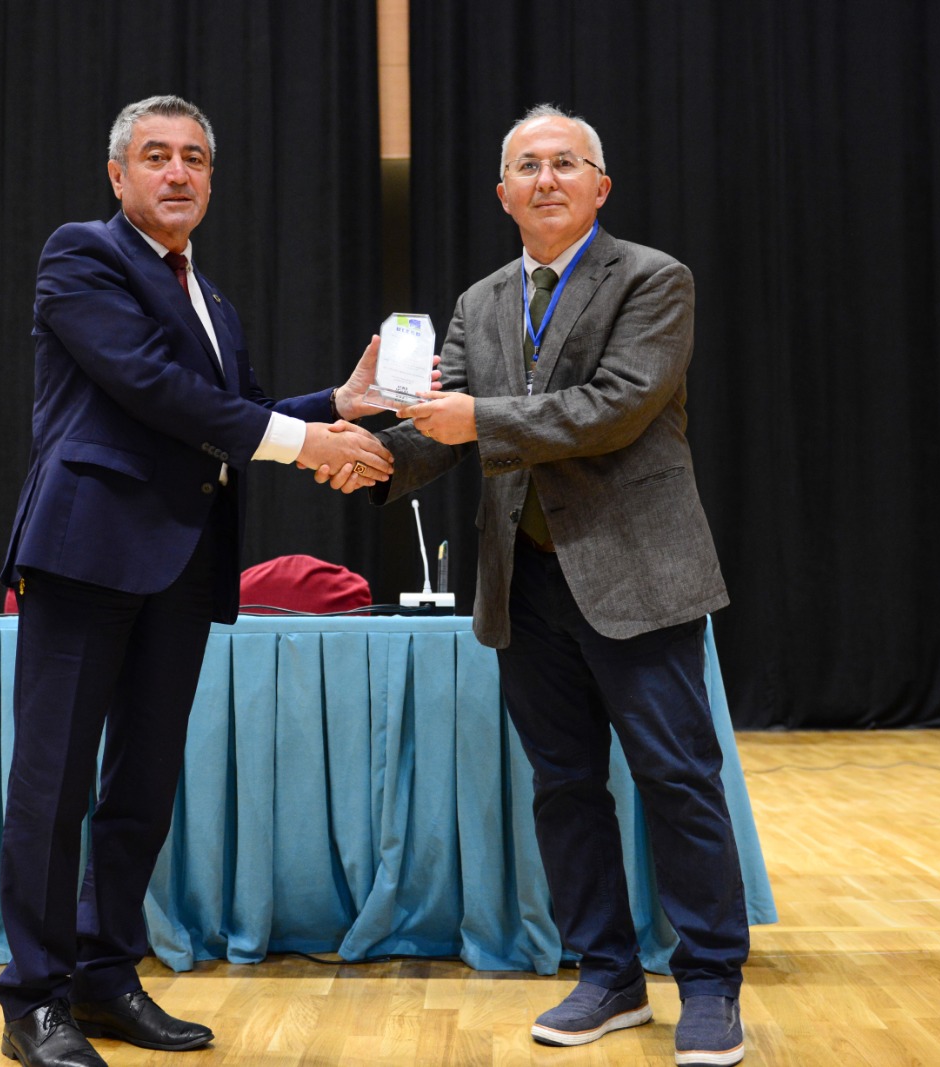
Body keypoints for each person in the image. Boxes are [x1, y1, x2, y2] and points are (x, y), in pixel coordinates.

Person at [317, 104, 750, 1065]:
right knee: (564, 787)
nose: (546, 179)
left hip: (639, 575)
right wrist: (368, 458)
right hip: (524, 582)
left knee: (677, 779)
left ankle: (711, 983)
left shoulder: (654, 279)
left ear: (601, 186)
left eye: (566, 163)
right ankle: (608, 975)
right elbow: (440, 426)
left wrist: (476, 420)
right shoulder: (478, 302)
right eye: (527, 167)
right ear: (502, 193)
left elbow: (614, 408)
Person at [0, 94, 396, 1067]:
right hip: (85, 552)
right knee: (53, 784)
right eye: (155, 155)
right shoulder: (82, 254)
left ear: (212, 179)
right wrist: (307, 443)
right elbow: (152, 388)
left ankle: (103, 975)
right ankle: (33, 999)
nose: (177, 172)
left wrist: (336, 404)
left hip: (179, 563)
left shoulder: (210, 297)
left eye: (194, 158)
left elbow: (227, 411)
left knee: (141, 784)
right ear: (118, 174)